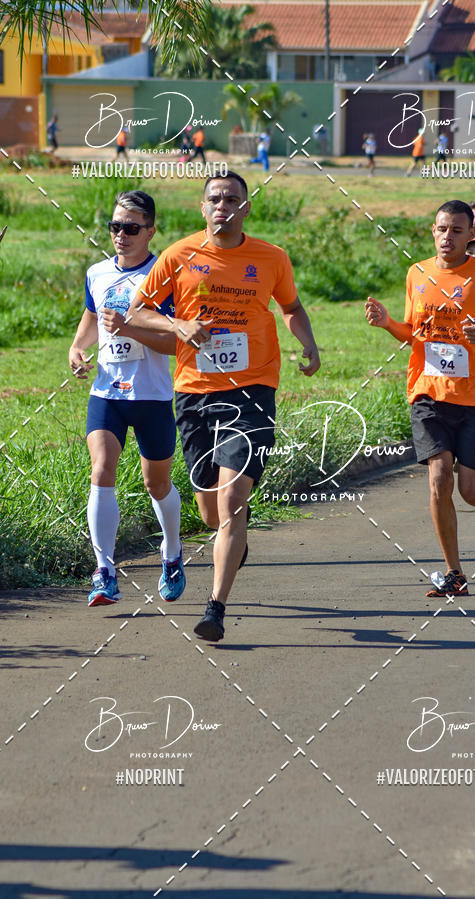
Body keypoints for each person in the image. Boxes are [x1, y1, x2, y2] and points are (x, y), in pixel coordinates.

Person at [130, 172, 320, 641]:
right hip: (194, 392)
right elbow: (136, 312)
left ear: (246, 207)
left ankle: (215, 608)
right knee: (212, 512)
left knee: (232, 500)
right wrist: (180, 325)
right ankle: (234, 540)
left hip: (252, 390)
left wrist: (310, 346)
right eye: (214, 199)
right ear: (202, 207)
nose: (223, 206)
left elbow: (291, 308)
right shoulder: (179, 254)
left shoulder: (271, 258)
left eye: (232, 199)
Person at [365, 199, 475, 598]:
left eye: (457, 230)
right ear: (432, 230)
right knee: (438, 477)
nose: (447, 237)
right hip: (428, 393)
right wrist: (389, 324)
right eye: (441, 229)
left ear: (472, 234)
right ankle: (454, 574)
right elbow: (414, 333)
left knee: (469, 491)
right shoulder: (417, 273)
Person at [69, 191, 186, 607]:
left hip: (152, 396)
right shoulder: (97, 273)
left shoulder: (164, 274)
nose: (121, 234)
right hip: (107, 392)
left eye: (132, 227)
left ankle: (171, 553)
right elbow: (90, 316)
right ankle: (105, 572)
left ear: (151, 231)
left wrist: (130, 329)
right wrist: (77, 349)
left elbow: (177, 343)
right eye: (115, 226)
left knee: (157, 484)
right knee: (101, 468)